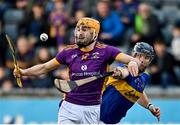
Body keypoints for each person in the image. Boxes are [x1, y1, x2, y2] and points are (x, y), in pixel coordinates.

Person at [14, 17, 140, 124]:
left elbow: (131, 60)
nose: (79, 33)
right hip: (69, 107)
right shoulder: (68, 52)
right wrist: (24, 72)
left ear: (94, 34)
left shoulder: (106, 51)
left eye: (84, 30)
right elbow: (44, 67)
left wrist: (133, 62)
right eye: (78, 29)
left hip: (92, 109)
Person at [100, 42, 160, 124]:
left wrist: (149, 106)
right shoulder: (125, 68)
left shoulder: (145, 77)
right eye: (140, 55)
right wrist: (119, 73)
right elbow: (124, 72)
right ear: (134, 55)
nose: (142, 60)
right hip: (97, 119)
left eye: (146, 57)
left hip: (114, 122)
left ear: (150, 61)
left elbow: (139, 91)